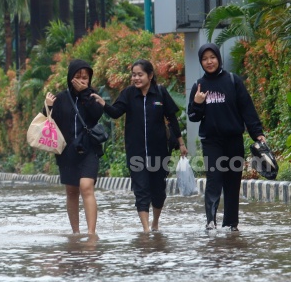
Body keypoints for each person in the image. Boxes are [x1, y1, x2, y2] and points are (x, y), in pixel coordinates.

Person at [91, 59, 188, 233]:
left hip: (159, 152)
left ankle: (155, 223)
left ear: (150, 75)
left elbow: (172, 119)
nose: (136, 78)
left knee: (158, 191)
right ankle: (146, 230)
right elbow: (116, 112)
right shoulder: (128, 94)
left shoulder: (160, 93)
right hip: (136, 153)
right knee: (141, 190)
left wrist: (181, 143)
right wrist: (103, 103)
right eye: (134, 75)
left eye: (140, 74)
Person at [188, 43, 266, 232]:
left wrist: (258, 134)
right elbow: (192, 116)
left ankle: (231, 223)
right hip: (211, 141)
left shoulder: (233, 81)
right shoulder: (199, 85)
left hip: (233, 140)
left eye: (212, 57)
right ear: (201, 62)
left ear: (218, 58)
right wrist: (198, 103)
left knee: (233, 182)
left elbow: (247, 109)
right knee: (214, 180)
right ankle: (210, 221)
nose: (209, 62)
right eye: (205, 59)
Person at [43, 59, 104, 235]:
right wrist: (47, 105)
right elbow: (47, 121)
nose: (81, 80)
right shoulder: (61, 98)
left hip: (89, 149)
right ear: (70, 78)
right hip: (67, 151)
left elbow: (96, 115)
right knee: (71, 191)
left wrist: (85, 94)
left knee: (86, 186)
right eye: (78, 77)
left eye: (85, 77)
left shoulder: (93, 96)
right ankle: (76, 232)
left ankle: (91, 233)